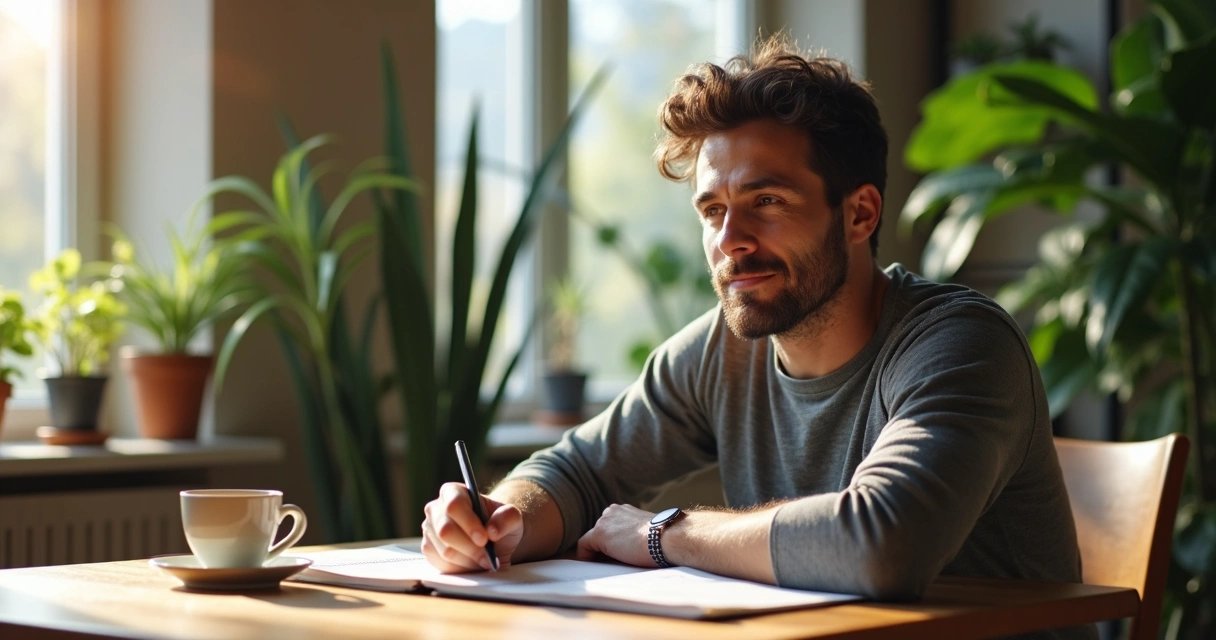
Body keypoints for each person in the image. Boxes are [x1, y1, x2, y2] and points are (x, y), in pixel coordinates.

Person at [422, 35, 1089, 638]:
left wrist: (662, 534)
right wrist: (499, 517)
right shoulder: (723, 351)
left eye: (766, 202)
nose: (729, 242)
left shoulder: (961, 344)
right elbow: (576, 469)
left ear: (859, 213)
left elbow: (882, 546)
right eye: (713, 210)